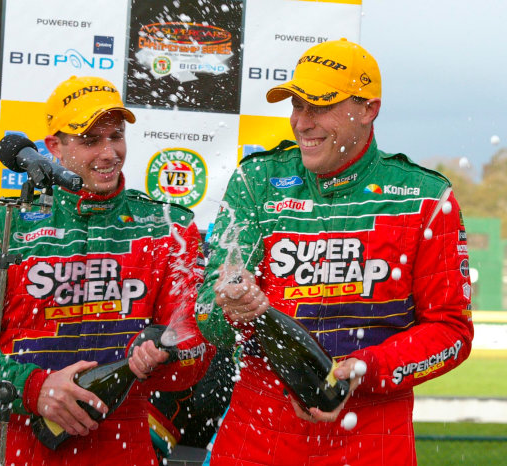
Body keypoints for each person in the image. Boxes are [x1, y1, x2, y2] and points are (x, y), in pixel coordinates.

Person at [196, 38, 474, 465]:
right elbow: (207, 316)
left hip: (373, 436)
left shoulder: (424, 197)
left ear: (368, 108)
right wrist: (230, 307)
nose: (302, 123)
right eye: (296, 106)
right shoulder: (257, 181)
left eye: (319, 106)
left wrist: (365, 370)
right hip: (258, 433)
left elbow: (451, 332)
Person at [0, 75, 214, 465]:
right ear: (54, 147)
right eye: (89, 140)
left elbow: (196, 351)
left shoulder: (167, 228)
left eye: (116, 136)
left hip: (119, 439)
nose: (109, 152)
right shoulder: (7, 223)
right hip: (14, 437)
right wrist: (33, 388)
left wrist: (161, 360)